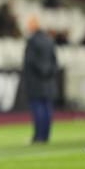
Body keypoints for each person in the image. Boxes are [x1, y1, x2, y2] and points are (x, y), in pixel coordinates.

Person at [23, 15, 58, 144]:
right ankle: (46, 135)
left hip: (35, 81)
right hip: (48, 81)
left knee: (37, 108)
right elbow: (55, 61)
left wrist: (40, 72)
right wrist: (49, 73)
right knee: (47, 108)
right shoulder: (49, 39)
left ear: (33, 25)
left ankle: (38, 136)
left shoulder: (32, 41)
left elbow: (30, 61)